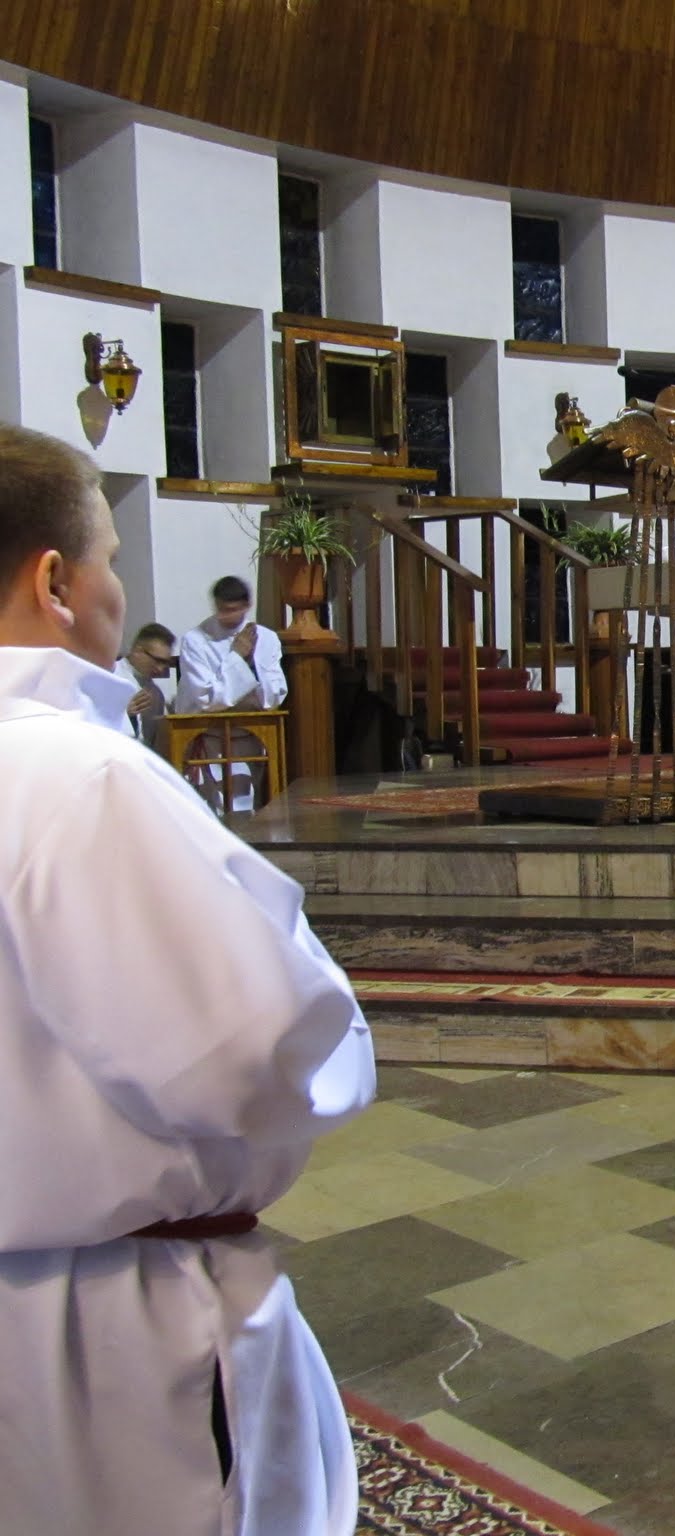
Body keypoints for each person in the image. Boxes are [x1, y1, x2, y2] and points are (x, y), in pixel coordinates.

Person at [0, 424, 376, 1535]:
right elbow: (253, 1056)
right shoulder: (79, 778)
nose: (117, 590)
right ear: (56, 582)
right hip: (107, 1338)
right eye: (112, 559)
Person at [174, 575, 288, 813]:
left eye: (233, 610)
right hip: (211, 735)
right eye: (222, 609)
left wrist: (250, 665)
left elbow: (275, 694)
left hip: (251, 734)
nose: (226, 615)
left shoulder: (267, 638)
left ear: (247, 606)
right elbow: (206, 697)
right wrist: (237, 656)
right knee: (213, 808)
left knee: (248, 804)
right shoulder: (196, 640)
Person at [111, 619, 176, 747]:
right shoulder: (111, 676)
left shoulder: (156, 693)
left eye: (165, 663)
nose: (160, 669)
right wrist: (125, 715)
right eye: (157, 660)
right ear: (138, 651)